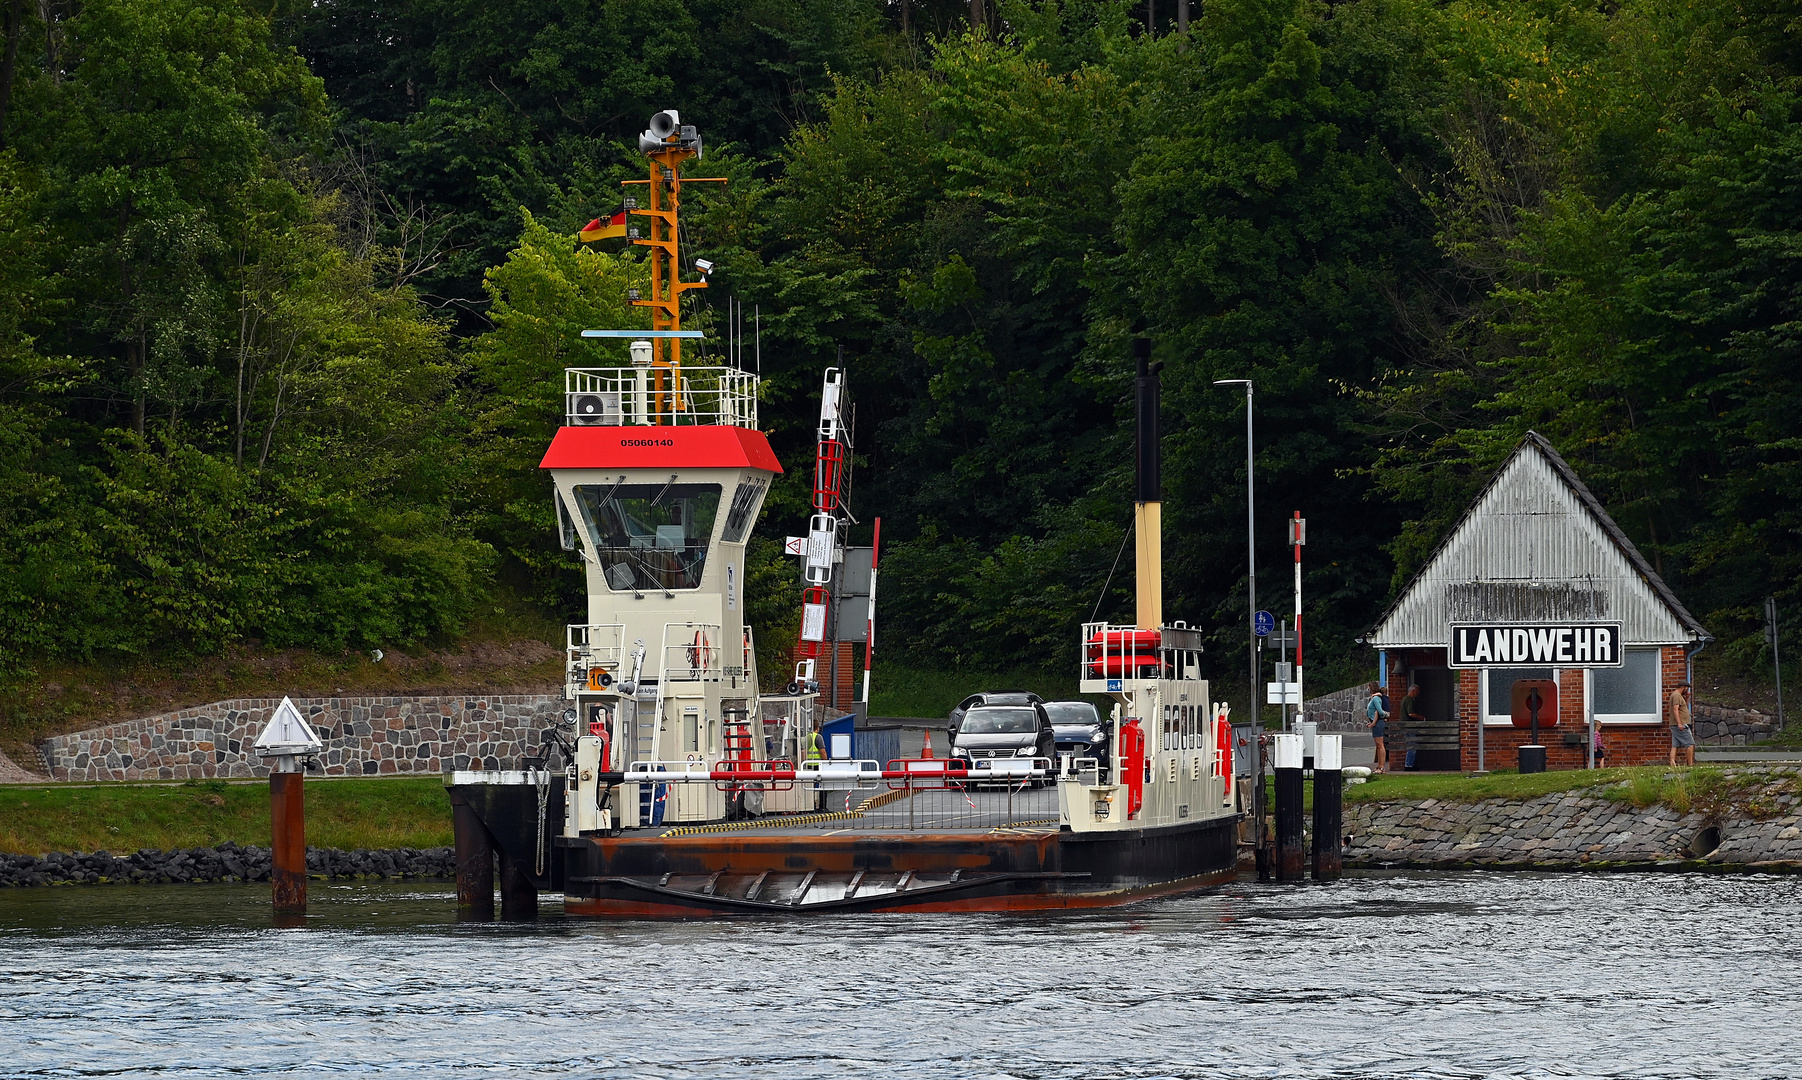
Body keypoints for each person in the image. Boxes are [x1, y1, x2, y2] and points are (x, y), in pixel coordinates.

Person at [1365, 683, 1390, 774]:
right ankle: (1379, 766)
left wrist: (1376, 720)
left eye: (1368, 687)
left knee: (1380, 745)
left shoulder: (1376, 699)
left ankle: (1382, 767)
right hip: (1376, 722)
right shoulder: (1375, 698)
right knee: (1378, 745)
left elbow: (1378, 711)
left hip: (1378, 723)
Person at [1669, 680, 1695, 766]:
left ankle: (1672, 763)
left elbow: (1684, 708)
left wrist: (1687, 698)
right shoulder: (1676, 696)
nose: (1687, 691)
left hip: (1675, 724)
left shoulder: (1678, 696)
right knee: (1690, 744)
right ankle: (1690, 764)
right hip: (1680, 724)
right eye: (1686, 689)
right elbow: (1675, 709)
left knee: (1675, 745)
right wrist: (1680, 723)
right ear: (1683, 687)